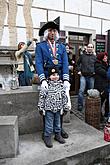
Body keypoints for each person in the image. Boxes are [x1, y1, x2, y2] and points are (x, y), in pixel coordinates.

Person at [35, 21, 71, 139]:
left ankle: (59, 130)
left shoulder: (61, 46)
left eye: (54, 30)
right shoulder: (40, 46)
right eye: (50, 30)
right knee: (47, 107)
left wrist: (66, 79)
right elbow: (39, 63)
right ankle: (47, 131)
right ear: (46, 33)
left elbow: (65, 63)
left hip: (59, 79)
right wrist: (43, 80)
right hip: (47, 79)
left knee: (61, 105)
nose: (52, 32)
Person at [38, 67, 69, 148]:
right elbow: (42, 97)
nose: (55, 76)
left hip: (58, 109)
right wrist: (41, 107)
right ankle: (47, 136)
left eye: (57, 75)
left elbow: (64, 96)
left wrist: (65, 107)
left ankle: (57, 135)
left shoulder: (61, 85)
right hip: (49, 109)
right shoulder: (46, 85)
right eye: (53, 75)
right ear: (49, 76)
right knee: (49, 124)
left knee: (58, 123)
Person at [77, 43, 96, 111]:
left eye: (91, 47)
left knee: (90, 92)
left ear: (93, 48)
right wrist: (79, 70)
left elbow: (97, 66)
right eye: (89, 47)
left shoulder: (94, 57)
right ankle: (80, 105)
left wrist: (95, 71)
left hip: (91, 77)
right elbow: (78, 64)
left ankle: (89, 105)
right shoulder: (82, 56)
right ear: (86, 48)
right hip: (83, 76)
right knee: (81, 91)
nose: (90, 48)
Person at [94, 52, 109, 120]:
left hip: (106, 85)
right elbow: (105, 74)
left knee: (107, 101)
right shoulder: (98, 65)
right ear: (101, 58)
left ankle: (106, 114)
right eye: (105, 57)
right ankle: (99, 116)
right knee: (101, 101)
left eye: (106, 57)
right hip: (100, 86)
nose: (106, 58)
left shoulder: (106, 64)